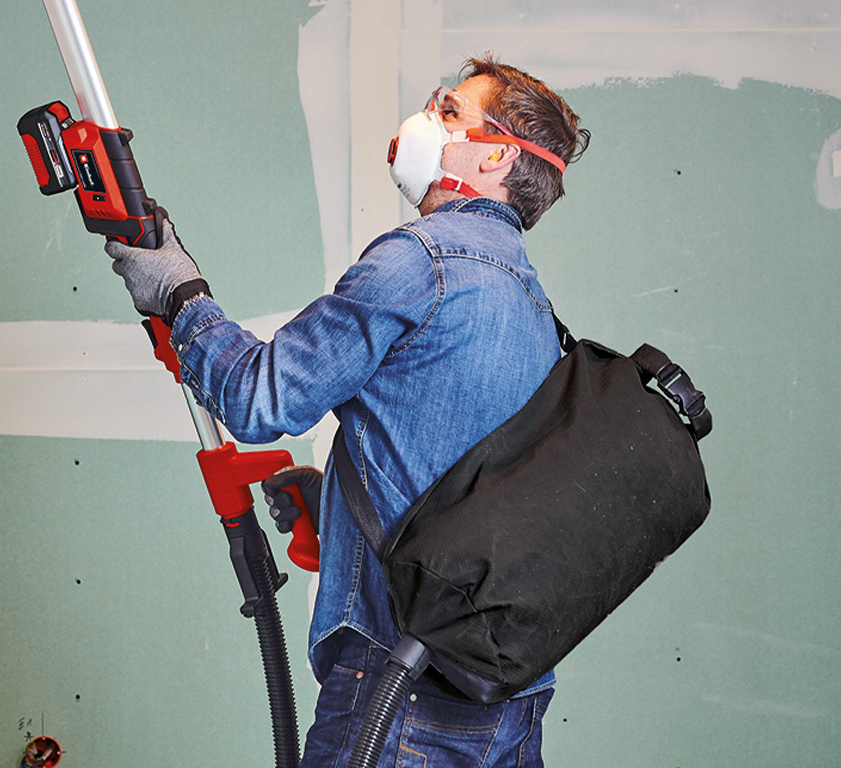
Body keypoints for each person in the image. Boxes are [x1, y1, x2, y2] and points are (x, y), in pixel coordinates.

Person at [105, 54, 589, 767]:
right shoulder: (538, 312)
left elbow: (260, 398)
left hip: (400, 695)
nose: (425, 119)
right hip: (507, 701)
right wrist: (337, 506)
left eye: (449, 110)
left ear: (496, 159)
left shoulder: (423, 259)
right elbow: (458, 489)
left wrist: (178, 290)